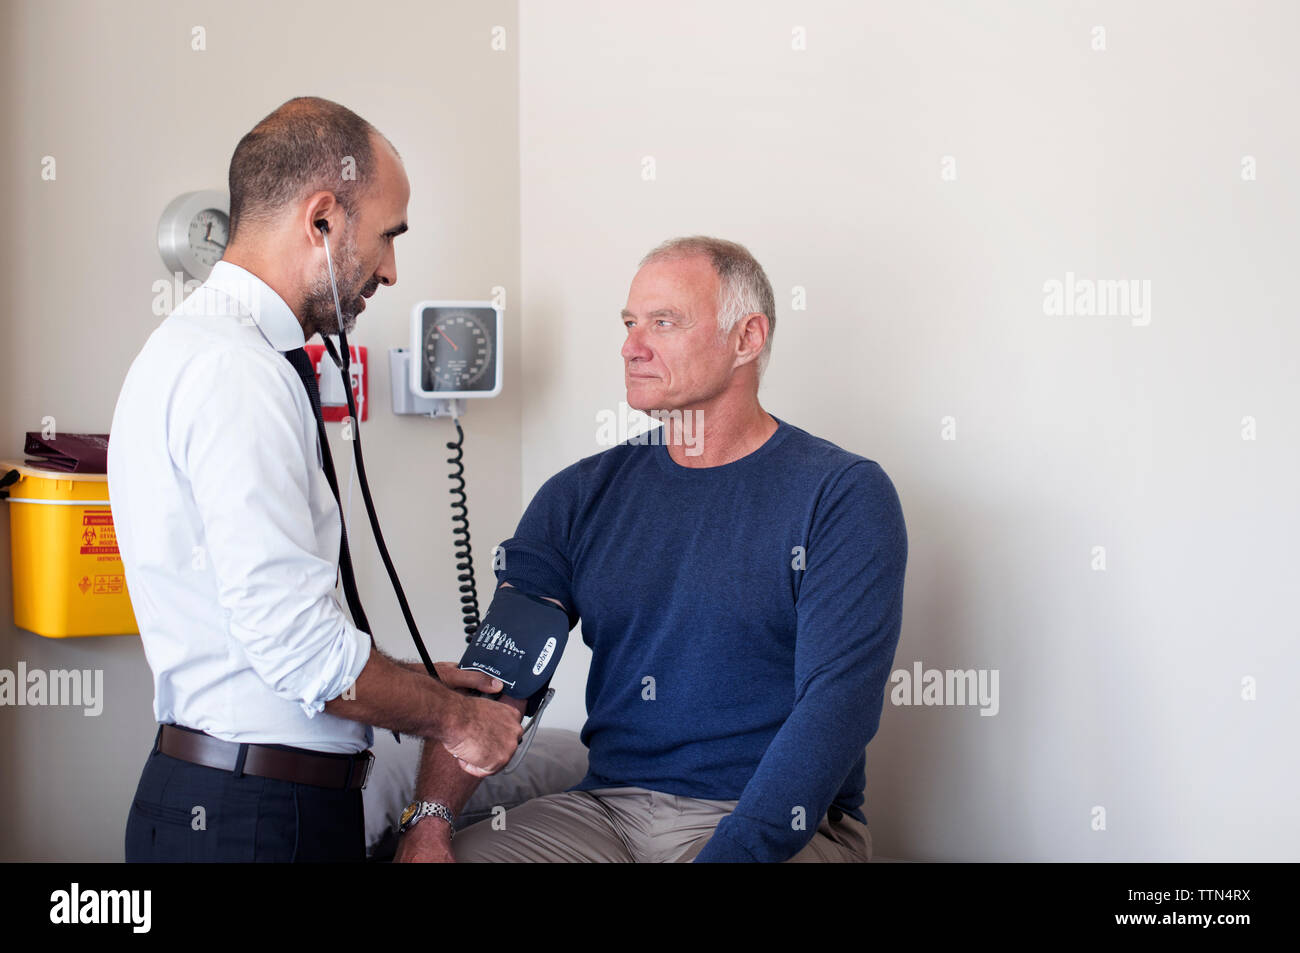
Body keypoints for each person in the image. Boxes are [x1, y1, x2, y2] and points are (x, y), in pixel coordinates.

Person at [394, 236, 908, 863]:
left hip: (766, 819)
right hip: (606, 812)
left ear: (747, 338)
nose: (631, 347)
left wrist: (735, 853)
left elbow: (837, 707)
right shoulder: (578, 496)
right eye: (630, 323)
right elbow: (498, 674)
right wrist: (430, 822)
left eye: (663, 322)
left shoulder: (840, 494)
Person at [108, 97, 521, 862]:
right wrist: (457, 720)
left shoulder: (198, 351)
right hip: (257, 819)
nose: (392, 270)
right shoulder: (237, 372)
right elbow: (299, 649)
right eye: (388, 236)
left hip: (229, 799)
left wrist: (418, 679)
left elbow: (275, 624)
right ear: (323, 218)